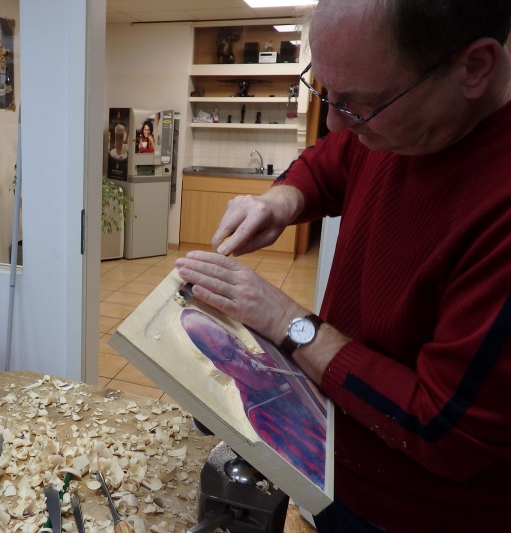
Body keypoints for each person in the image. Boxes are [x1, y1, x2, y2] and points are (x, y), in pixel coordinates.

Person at [174, 1, 511, 531]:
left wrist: (286, 320)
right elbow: (333, 160)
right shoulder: (401, 124)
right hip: (334, 468)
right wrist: (279, 201)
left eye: (361, 104)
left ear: (474, 68)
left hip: (413, 515)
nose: (334, 121)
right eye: (325, 92)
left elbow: (442, 428)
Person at [180, 308, 327, 488]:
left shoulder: (273, 360)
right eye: (228, 353)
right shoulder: (259, 416)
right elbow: (314, 469)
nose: (244, 355)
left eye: (234, 342)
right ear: (222, 366)